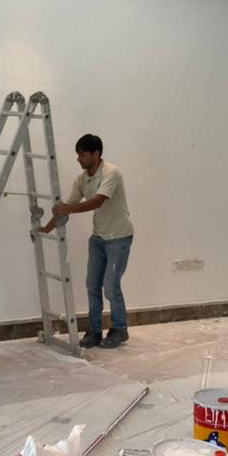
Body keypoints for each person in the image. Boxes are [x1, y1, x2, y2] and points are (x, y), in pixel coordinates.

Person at [41, 134, 133, 349]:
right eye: (78, 154)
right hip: (98, 238)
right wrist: (46, 228)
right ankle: (94, 331)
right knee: (92, 285)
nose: (78, 159)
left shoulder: (111, 172)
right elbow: (68, 207)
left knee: (110, 287)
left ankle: (120, 329)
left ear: (96, 154)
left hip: (119, 238)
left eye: (82, 154)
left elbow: (98, 201)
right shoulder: (82, 179)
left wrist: (68, 208)